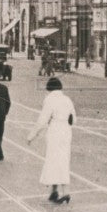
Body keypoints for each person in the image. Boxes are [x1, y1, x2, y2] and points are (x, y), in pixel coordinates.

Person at [27, 77, 75, 205]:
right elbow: (74, 119)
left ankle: (63, 192)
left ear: (49, 88)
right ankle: (57, 191)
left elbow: (42, 121)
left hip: (55, 131)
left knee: (53, 160)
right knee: (63, 160)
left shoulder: (49, 99)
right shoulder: (67, 99)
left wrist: (32, 136)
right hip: (66, 132)